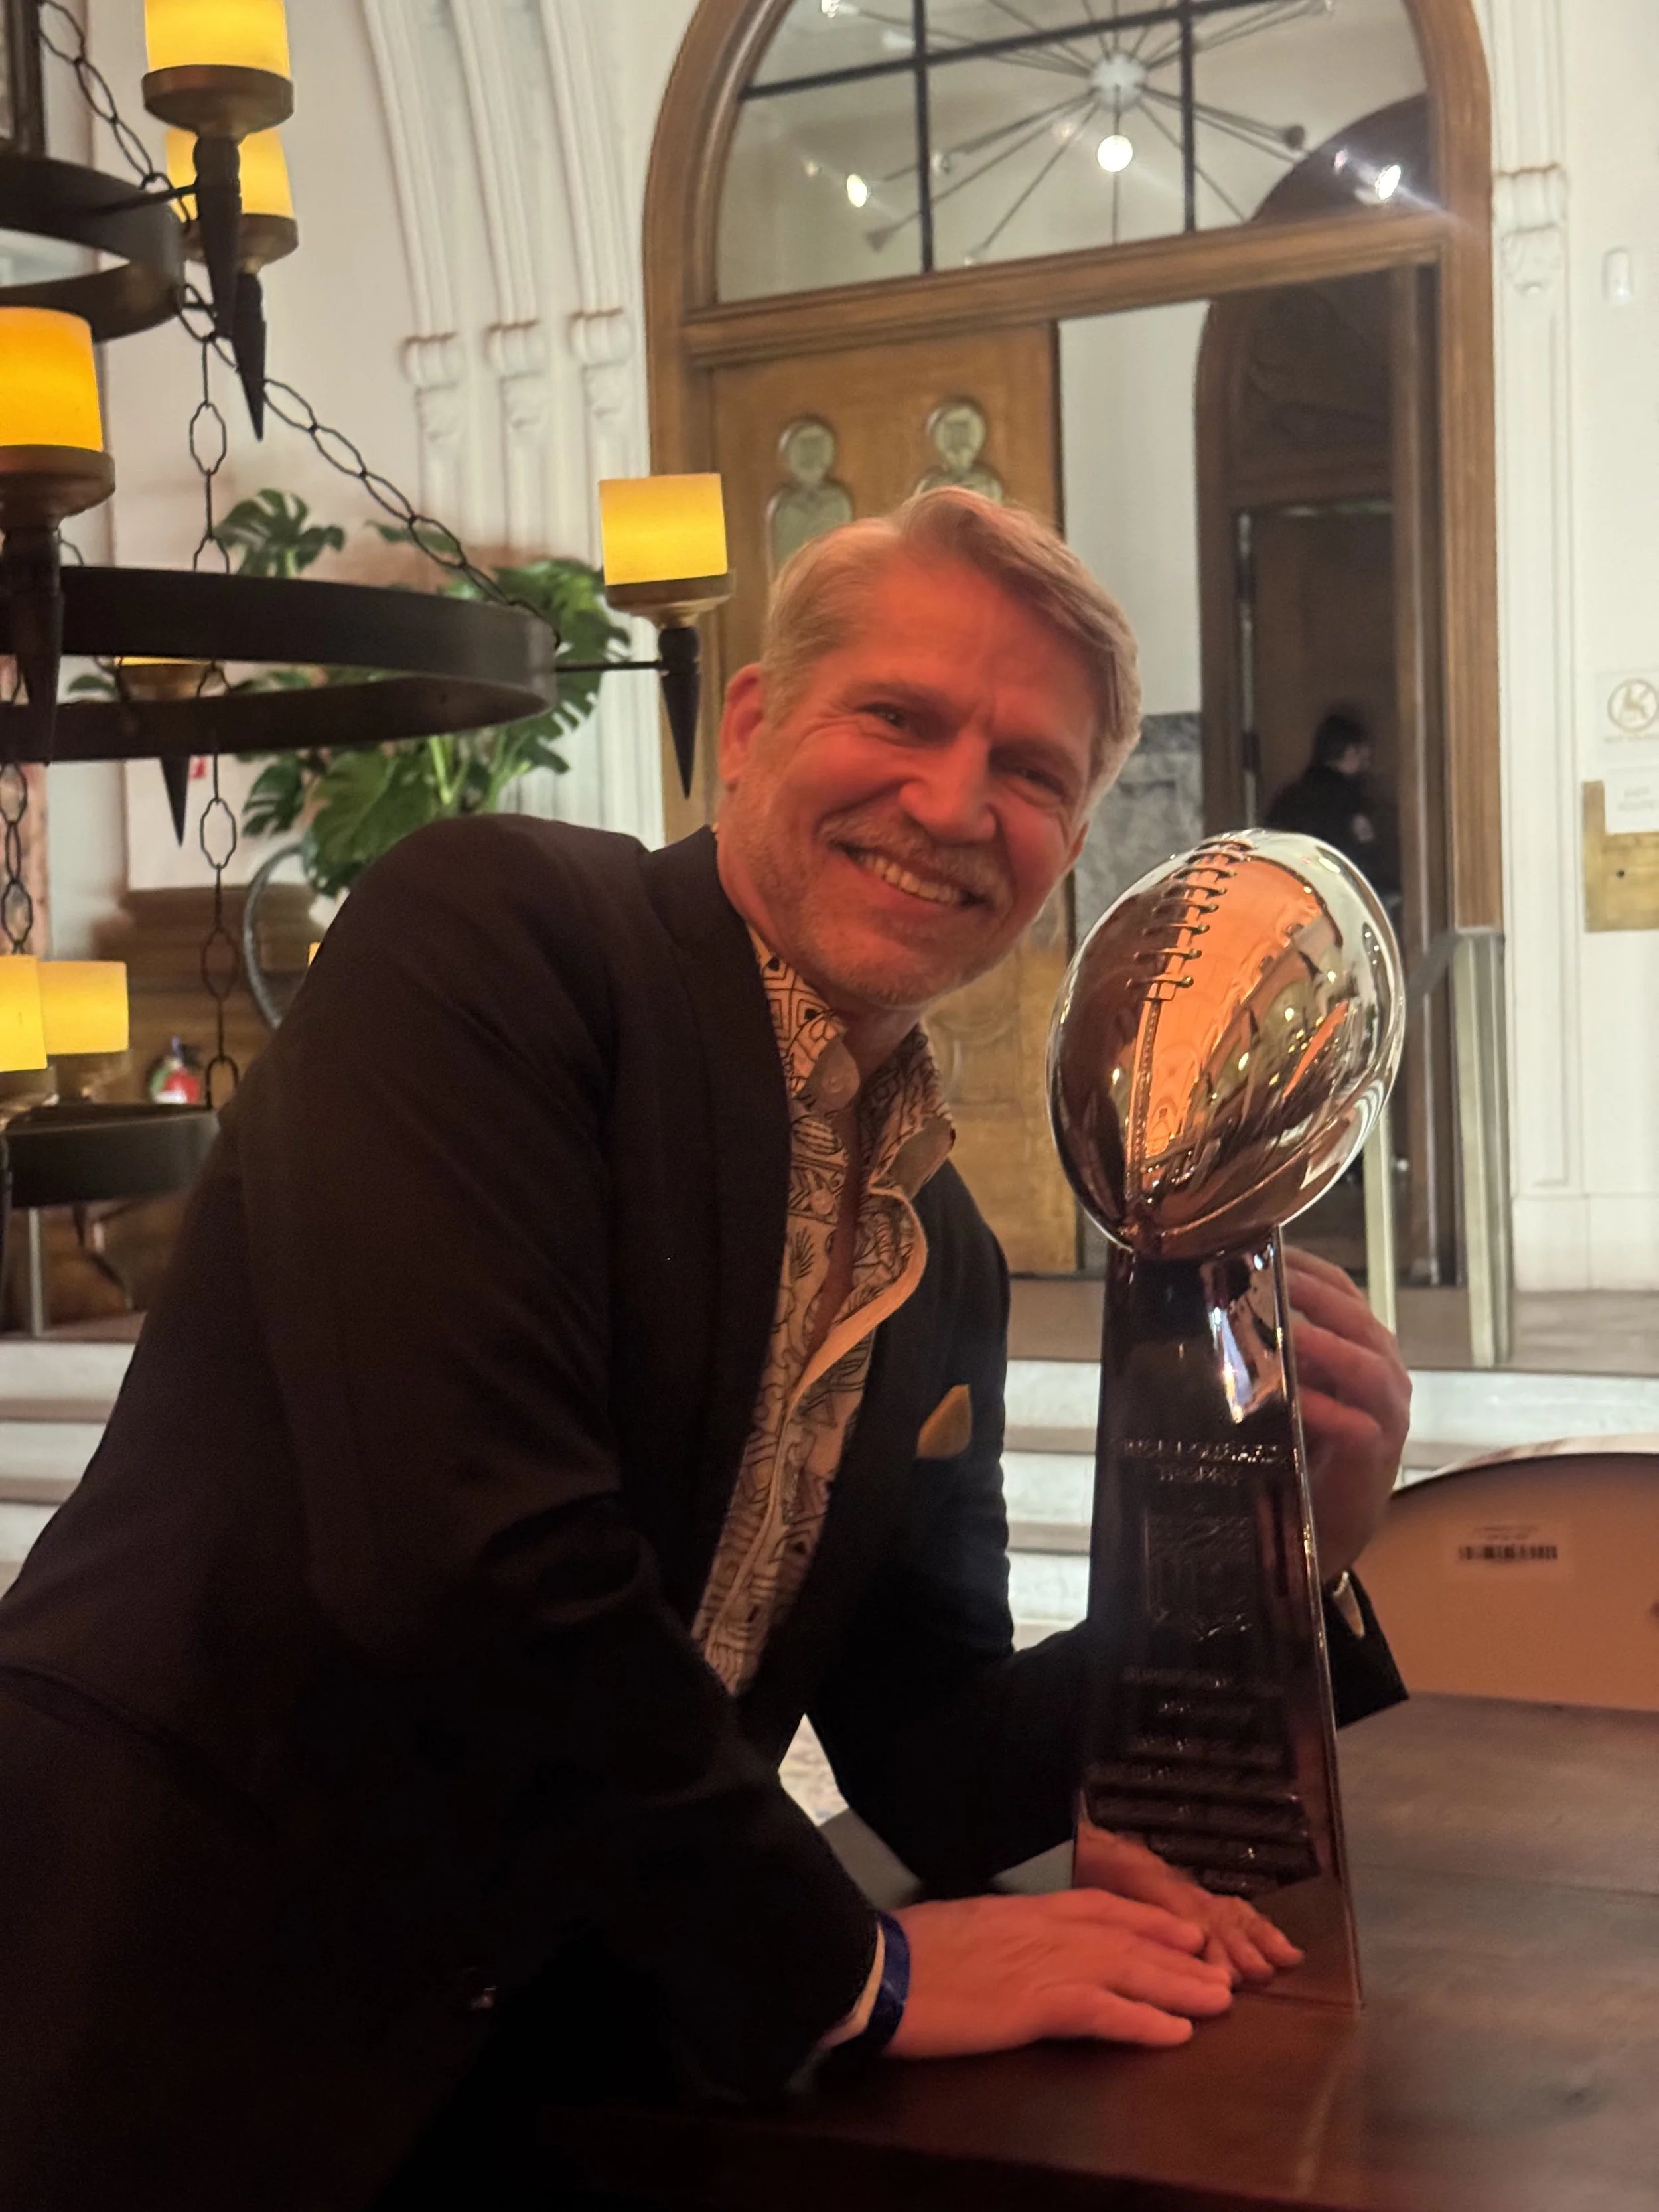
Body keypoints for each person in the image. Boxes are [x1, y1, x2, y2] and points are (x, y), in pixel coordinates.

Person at [0, 492, 1410, 2211]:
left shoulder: (939, 1249)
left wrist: (1277, 1555)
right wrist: (854, 1966)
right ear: (748, 723)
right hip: (165, 2001)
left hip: (550, 2062)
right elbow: (468, 1557)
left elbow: (939, 1756)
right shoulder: (503, 936)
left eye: (1031, 771)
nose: (951, 801)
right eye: (897, 714)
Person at [1264, 707, 1401, 901]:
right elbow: (1362, 863)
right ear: (1350, 751)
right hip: (1341, 900)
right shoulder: (1350, 802)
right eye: (1364, 756)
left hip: (1288, 898)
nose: (1367, 764)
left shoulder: (1289, 798)